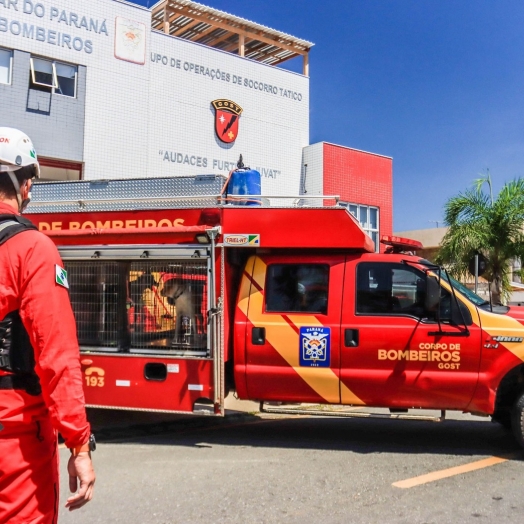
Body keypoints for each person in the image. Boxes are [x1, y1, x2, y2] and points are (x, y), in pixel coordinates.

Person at [0, 127, 95, 524]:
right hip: (13, 438)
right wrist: (79, 445)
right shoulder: (32, 249)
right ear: (23, 185)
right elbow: (56, 355)